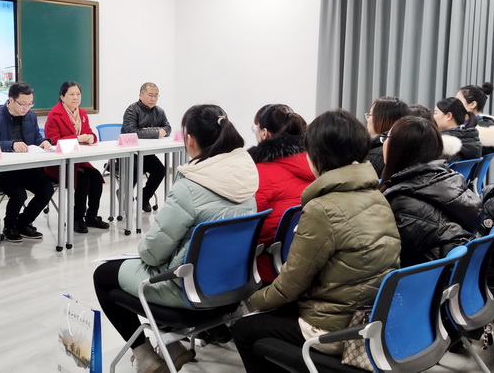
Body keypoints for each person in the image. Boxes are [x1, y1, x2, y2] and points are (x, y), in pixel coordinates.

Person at [231, 109, 401, 373]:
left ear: (317, 155)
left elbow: (289, 287)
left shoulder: (322, 208)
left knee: (243, 327)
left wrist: (248, 303)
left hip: (334, 327)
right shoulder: (375, 194)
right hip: (373, 314)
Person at [94, 104, 259, 373]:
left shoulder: (190, 187)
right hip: (233, 287)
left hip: (190, 292)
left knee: (104, 275)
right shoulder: (247, 181)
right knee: (167, 261)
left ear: (190, 140)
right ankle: (171, 347)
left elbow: (152, 254)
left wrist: (145, 251)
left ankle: (146, 357)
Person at [380, 116, 480, 266]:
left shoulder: (402, 203)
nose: (383, 143)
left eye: (386, 138)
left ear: (401, 147)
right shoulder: (451, 179)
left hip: (418, 276)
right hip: (446, 273)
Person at [0, 81, 55, 242]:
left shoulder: (31, 116)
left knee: (46, 189)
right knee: (19, 194)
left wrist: (43, 141)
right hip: (1, 170)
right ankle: (9, 227)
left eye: (30, 104)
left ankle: (23, 223)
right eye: (22, 104)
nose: (26, 108)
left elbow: (36, 137)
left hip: (25, 167)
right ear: (11, 100)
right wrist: (11, 145)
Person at [247, 104, 314, 283]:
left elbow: (247, 220)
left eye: (256, 128)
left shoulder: (260, 172)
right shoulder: (315, 164)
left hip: (266, 265)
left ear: (264, 133)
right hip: (305, 258)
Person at [45, 81, 109, 234]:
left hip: (78, 160)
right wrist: (77, 138)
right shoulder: (54, 114)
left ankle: (92, 216)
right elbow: (53, 141)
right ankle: (77, 219)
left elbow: (89, 132)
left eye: (78, 94)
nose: (75, 97)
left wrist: (91, 137)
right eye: (71, 94)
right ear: (62, 96)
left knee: (96, 177)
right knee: (83, 180)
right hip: (58, 163)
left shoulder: (82, 113)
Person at [121, 82, 171, 212]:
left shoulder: (159, 111)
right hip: (128, 153)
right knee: (135, 168)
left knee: (160, 170)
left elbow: (167, 128)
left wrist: (149, 130)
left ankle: (144, 197)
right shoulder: (132, 110)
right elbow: (132, 132)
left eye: (156, 95)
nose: (153, 98)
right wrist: (156, 132)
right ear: (141, 95)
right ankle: (124, 194)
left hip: (146, 153)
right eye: (150, 95)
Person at [363, 96, 408, 177]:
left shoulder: (377, 155)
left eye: (370, 114)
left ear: (384, 118)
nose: (367, 119)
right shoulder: (404, 146)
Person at [434, 97, 482, 163]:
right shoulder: (470, 138)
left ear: (448, 116)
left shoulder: (445, 147)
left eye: (435, 113)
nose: (433, 117)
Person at [457, 82, 494, 154]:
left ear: (472, 104)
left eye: (458, 101)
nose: (454, 104)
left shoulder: (467, 134)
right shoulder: (487, 125)